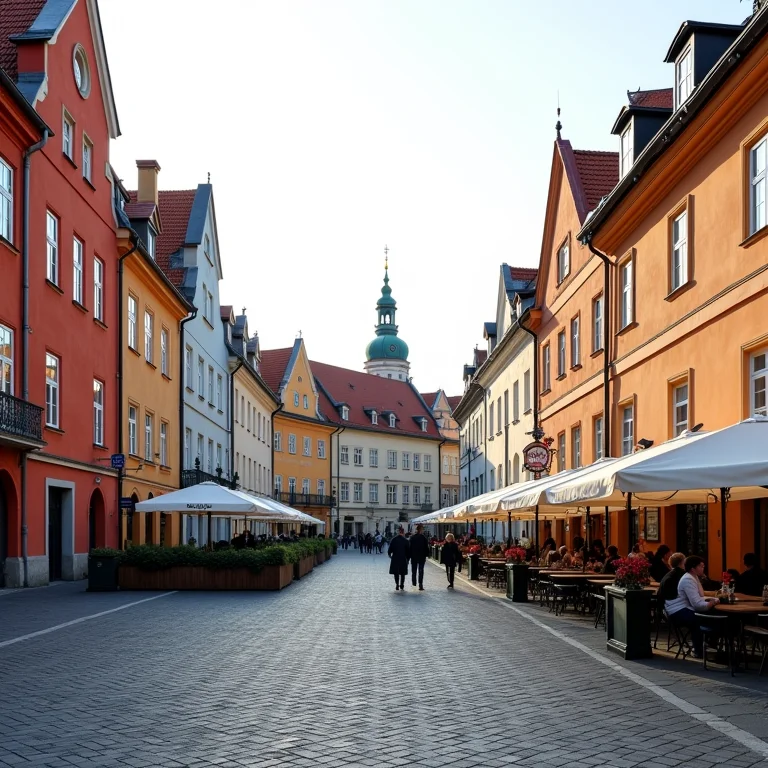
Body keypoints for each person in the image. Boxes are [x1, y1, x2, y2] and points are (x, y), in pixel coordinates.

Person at [664, 555, 718, 657]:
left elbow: (700, 596)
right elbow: (697, 604)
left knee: (712, 616)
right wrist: (711, 603)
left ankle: (707, 643)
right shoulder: (688, 580)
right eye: (701, 566)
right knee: (699, 619)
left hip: (683, 607)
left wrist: (709, 601)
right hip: (677, 611)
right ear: (693, 568)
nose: (703, 568)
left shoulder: (694, 577)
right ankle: (698, 649)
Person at [388, 527, 410, 591]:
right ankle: (402, 585)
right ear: (403, 533)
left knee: (396, 572)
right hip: (403, 558)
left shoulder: (393, 540)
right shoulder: (405, 541)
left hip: (395, 558)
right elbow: (408, 551)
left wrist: (390, 555)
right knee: (402, 573)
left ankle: (397, 584)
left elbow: (390, 550)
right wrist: (408, 559)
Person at [409, 524, 430, 590]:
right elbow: (427, 548)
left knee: (414, 570)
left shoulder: (412, 537)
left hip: (414, 556)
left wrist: (409, 556)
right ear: (421, 530)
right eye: (422, 529)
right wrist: (427, 555)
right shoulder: (424, 538)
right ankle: (420, 584)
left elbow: (409, 548)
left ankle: (414, 583)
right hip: (421, 557)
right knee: (421, 571)